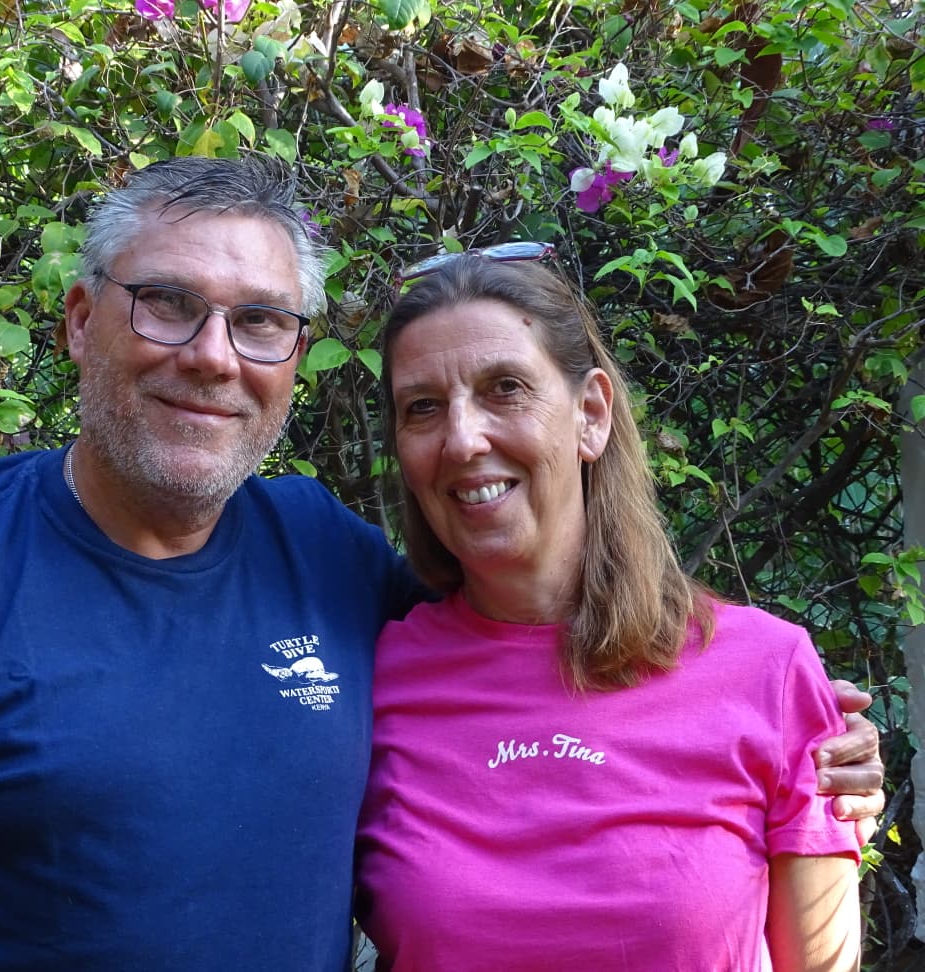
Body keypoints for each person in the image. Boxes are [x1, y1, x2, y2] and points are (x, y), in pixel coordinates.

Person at [0, 158, 880, 972]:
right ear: (79, 323)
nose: (213, 356)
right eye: (166, 305)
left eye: (259, 321)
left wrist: (800, 747)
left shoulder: (328, 563)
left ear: (294, 359)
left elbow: (541, 664)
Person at [354, 252, 864, 971]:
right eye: (423, 407)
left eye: (505, 388)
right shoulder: (371, 681)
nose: (463, 439)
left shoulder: (767, 670)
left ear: (590, 415)